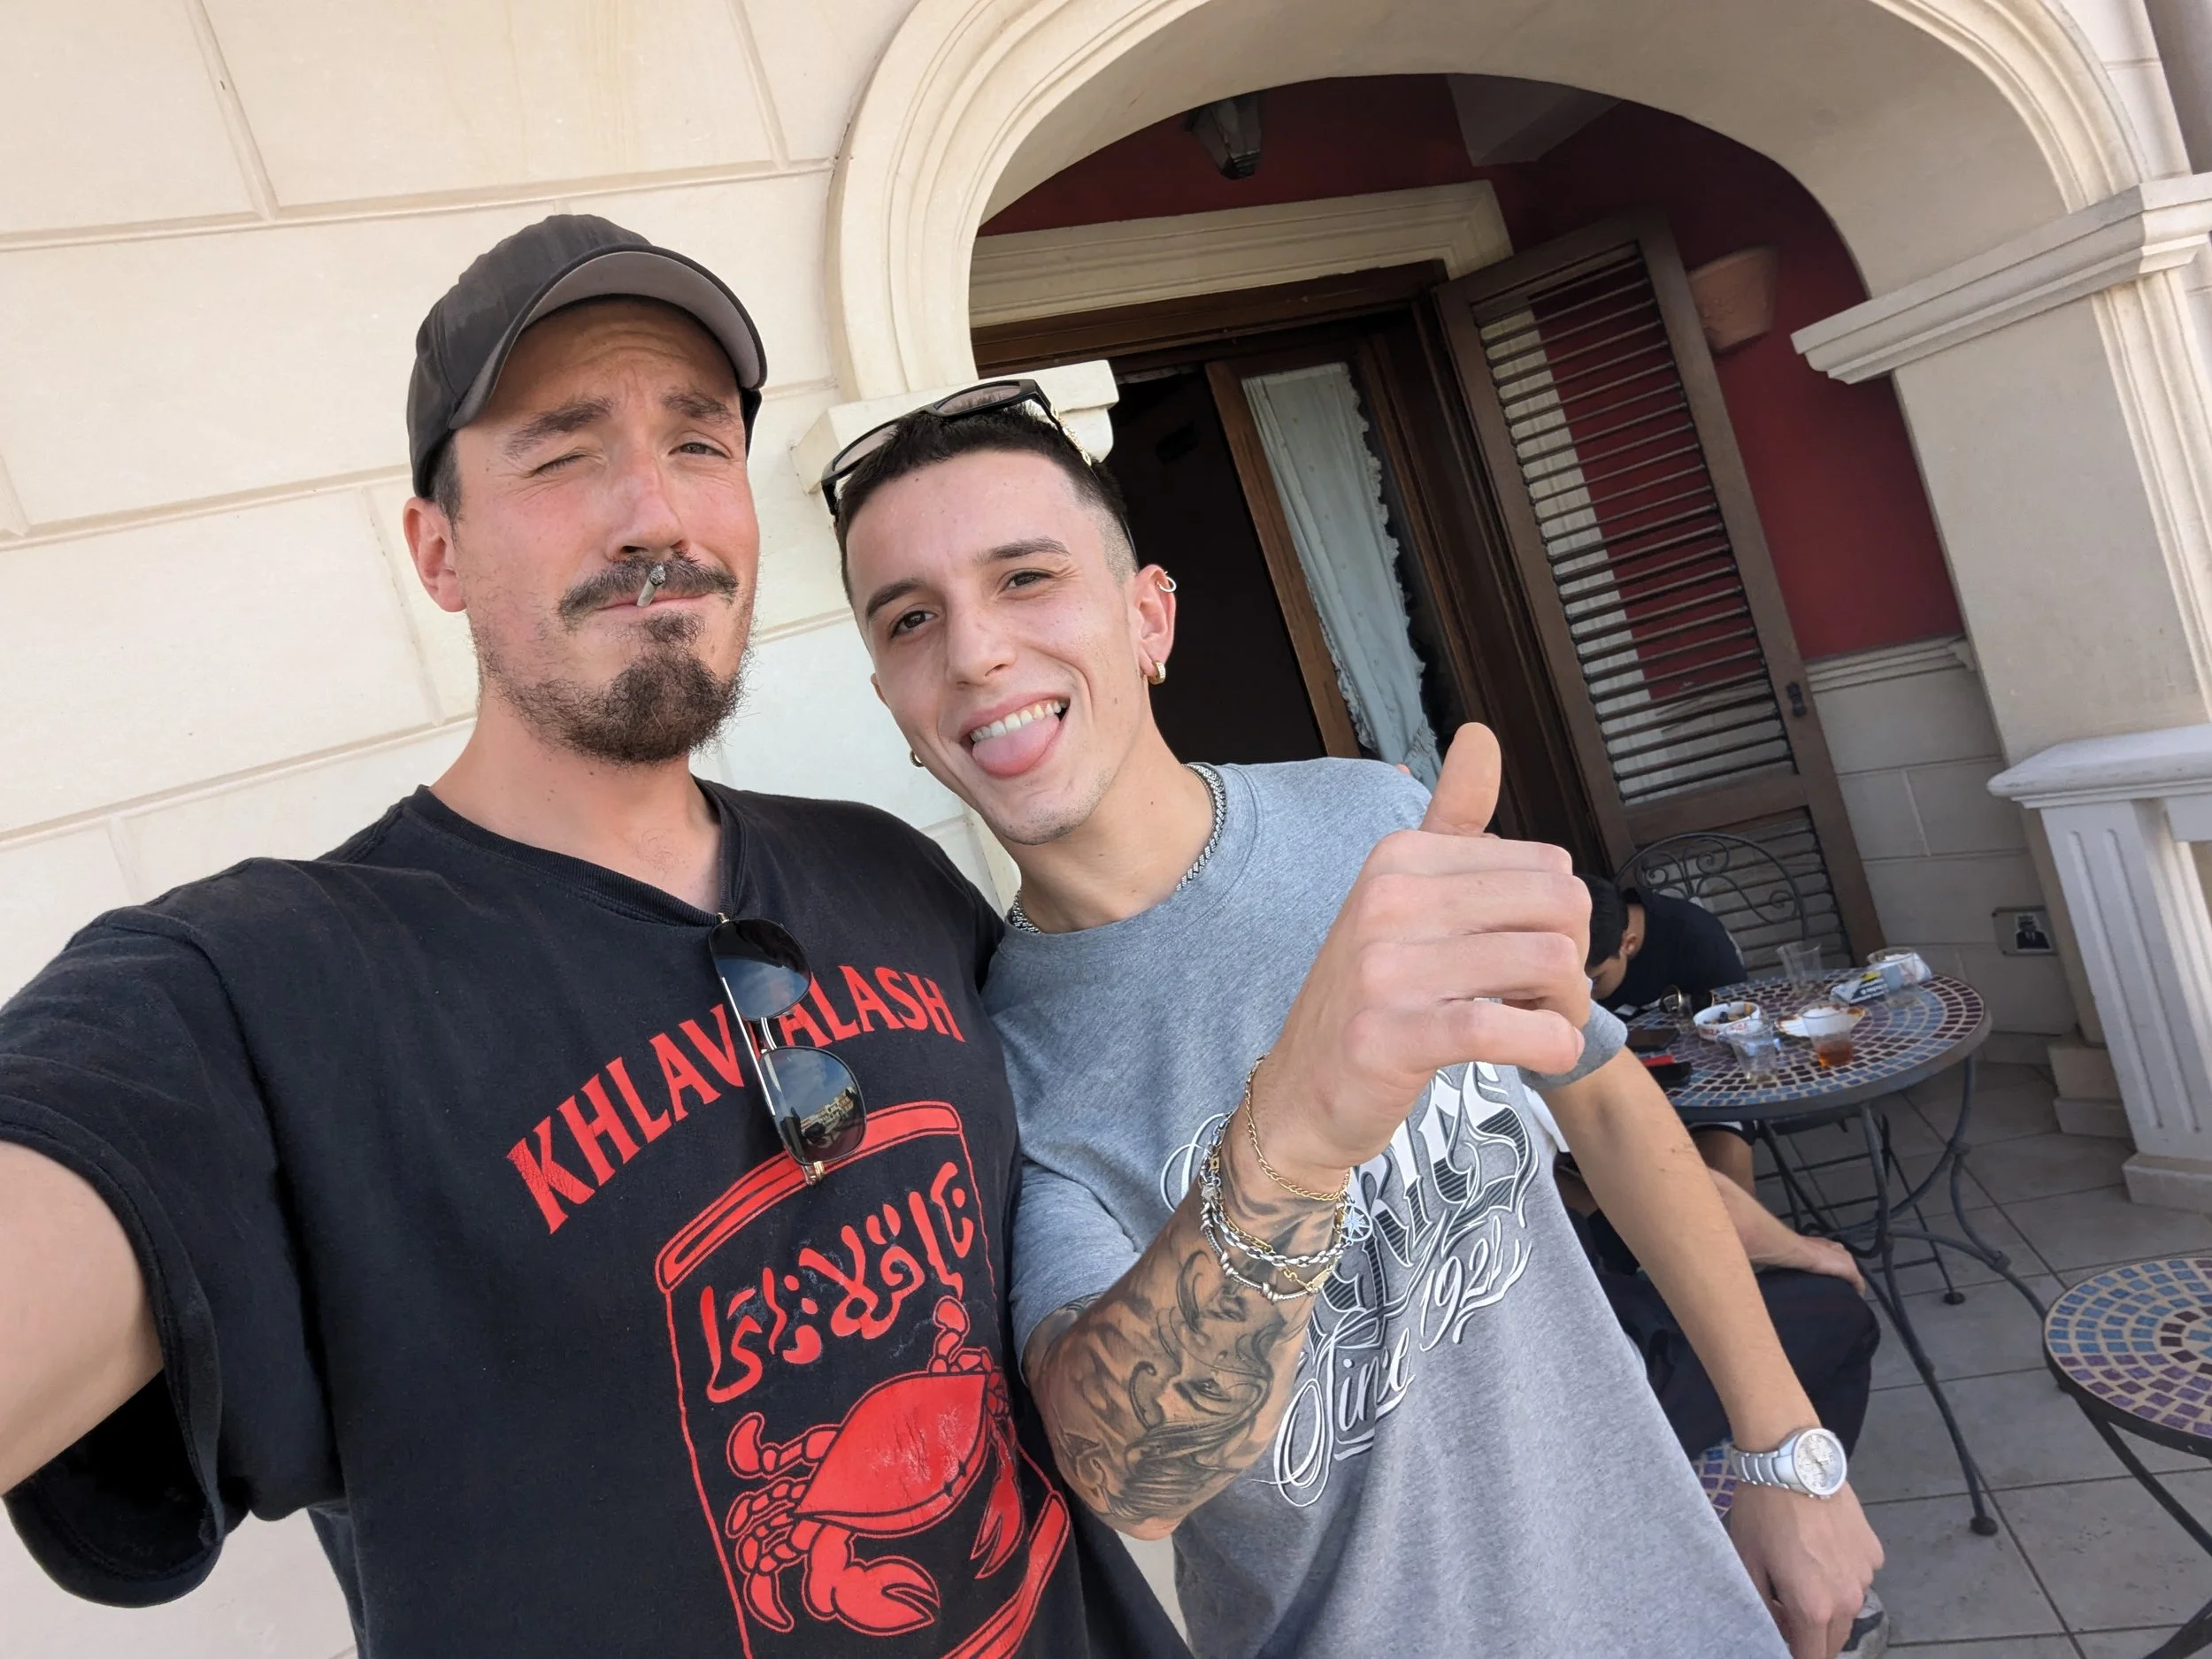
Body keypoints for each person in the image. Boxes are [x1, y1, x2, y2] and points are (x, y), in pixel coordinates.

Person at [0, 217, 1187, 1659]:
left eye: (700, 447)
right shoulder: (265, 994)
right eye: (561, 454)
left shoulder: (895, 875)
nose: (655, 513)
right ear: (436, 553)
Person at [831, 389, 1885, 1659]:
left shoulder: (1375, 822)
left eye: (1025, 577)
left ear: (1147, 613)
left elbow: (1603, 1100)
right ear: (893, 700)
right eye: (911, 617)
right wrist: (1297, 1127)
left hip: (1672, 1599)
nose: (977, 650)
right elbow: (1135, 1475)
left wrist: (1786, 1442)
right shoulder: (999, 1066)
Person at [1586, 872, 1762, 1189]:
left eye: (1595, 981)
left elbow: (1741, 1028)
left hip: (1710, 1088)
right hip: (1613, 1103)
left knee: (1721, 1168)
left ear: (1628, 943)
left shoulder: (1693, 936)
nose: (1585, 996)